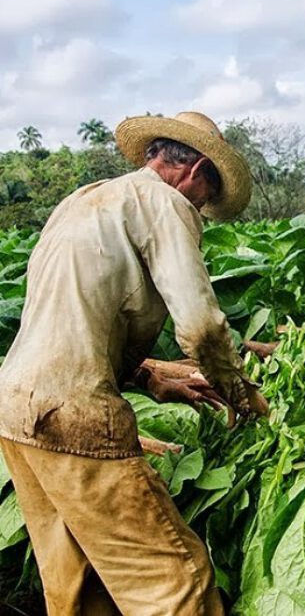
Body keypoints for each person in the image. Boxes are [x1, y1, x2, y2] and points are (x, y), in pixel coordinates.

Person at [0, 111, 267, 615]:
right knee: (177, 583)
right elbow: (202, 327)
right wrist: (239, 391)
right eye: (208, 195)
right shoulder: (165, 203)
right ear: (197, 170)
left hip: (15, 413)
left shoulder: (84, 201)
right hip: (74, 417)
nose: (202, 206)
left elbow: (73, 319)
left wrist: (149, 377)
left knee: (77, 586)